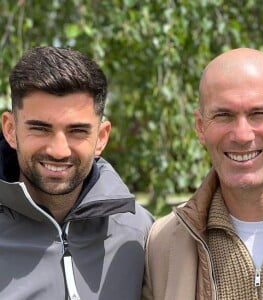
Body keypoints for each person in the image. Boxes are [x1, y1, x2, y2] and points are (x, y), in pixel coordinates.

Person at [142, 48, 263, 300]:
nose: (242, 135)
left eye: (258, 114)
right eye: (223, 115)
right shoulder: (163, 245)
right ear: (201, 127)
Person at [0, 46, 153, 300]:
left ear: (101, 137)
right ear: (10, 129)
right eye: (40, 129)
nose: (59, 151)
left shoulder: (142, 233)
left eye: (77, 131)